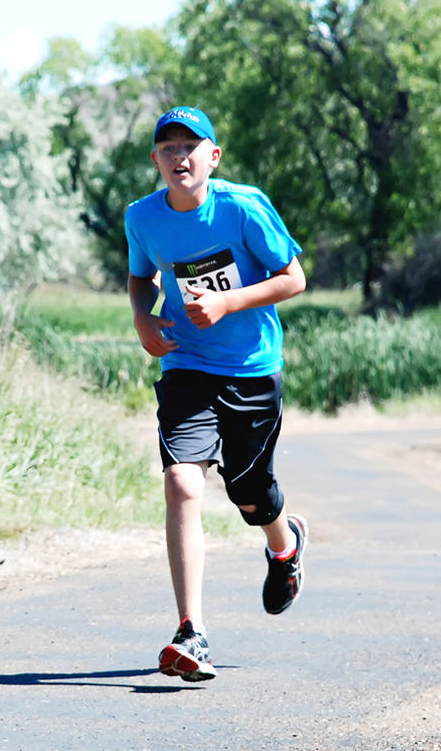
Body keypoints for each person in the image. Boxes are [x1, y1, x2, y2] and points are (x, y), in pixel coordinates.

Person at [125, 106, 308, 682]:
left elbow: (294, 279)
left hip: (251, 368)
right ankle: (191, 630)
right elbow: (139, 277)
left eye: (190, 146)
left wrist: (229, 302)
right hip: (186, 363)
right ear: (155, 160)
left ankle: (285, 546)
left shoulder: (242, 206)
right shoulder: (143, 217)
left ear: (213, 156)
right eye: (168, 148)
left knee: (250, 494)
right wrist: (143, 318)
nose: (180, 156)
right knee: (182, 482)